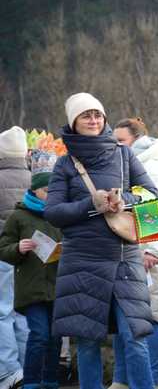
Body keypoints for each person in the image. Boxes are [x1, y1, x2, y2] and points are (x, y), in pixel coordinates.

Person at [44, 93, 158, 389]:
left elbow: (151, 194)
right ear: (74, 122)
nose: (94, 120)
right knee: (87, 342)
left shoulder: (124, 154)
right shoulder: (65, 164)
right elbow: (53, 212)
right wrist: (90, 204)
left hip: (124, 259)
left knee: (134, 336)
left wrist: (125, 201)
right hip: (82, 261)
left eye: (98, 114)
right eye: (86, 115)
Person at [111, 118, 158, 389]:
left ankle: (149, 381)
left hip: (145, 256)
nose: (115, 146)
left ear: (136, 140)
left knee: (150, 317)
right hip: (127, 253)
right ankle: (122, 380)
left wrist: (153, 250)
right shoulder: (130, 164)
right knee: (123, 318)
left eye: (120, 141)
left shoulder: (154, 166)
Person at [0, 133, 66, 389]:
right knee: (38, 335)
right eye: (46, 190)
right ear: (35, 189)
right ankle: (30, 381)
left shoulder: (60, 215)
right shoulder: (19, 217)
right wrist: (18, 247)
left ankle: (50, 381)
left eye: (54, 191)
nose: (50, 195)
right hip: (31, 289)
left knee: (55, 337)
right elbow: (3, 248)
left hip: (56, 286)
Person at [0, 126, 31, 389]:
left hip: (3, 254)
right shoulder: (37, 179)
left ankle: (8, 370)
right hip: (29, 255)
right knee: (22, 314)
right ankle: (27, 369)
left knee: (1, 313)